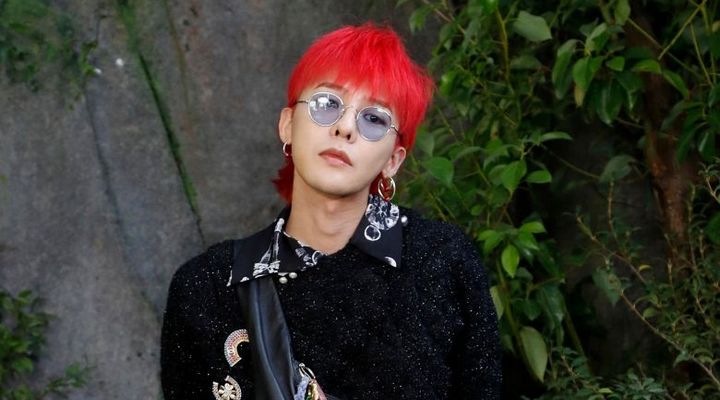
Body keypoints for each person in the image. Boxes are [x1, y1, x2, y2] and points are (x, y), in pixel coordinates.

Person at [161, 23, 501, 399]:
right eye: (327, 104)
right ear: (288, 126)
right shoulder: (208, 287)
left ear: (393, 159)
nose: (345, 127)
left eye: (374, 118)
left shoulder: (443, 263)